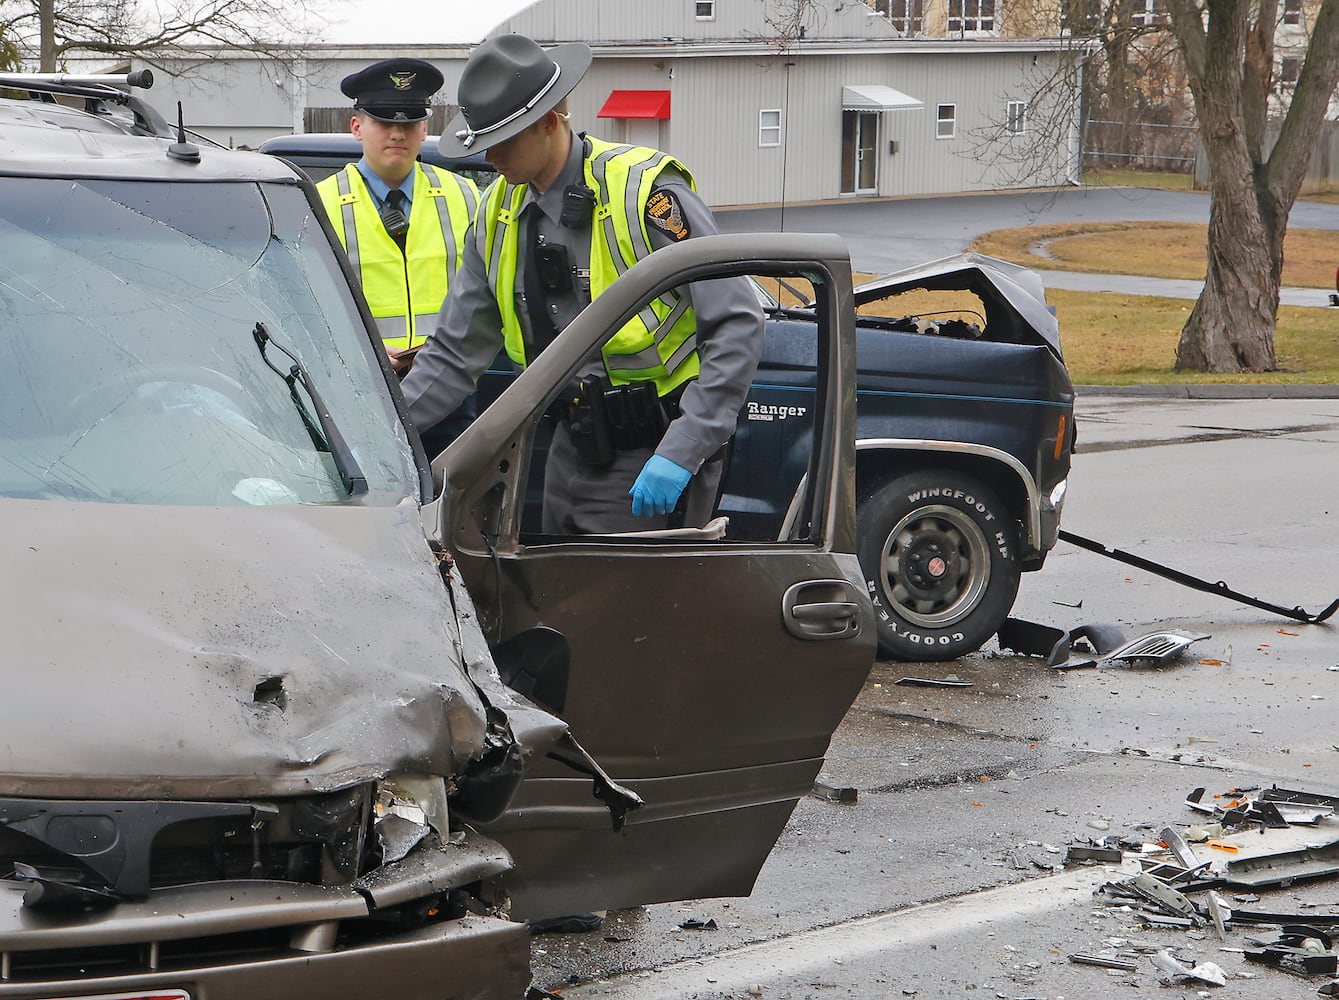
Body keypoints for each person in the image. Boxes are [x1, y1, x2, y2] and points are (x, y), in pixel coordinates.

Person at [401, 34, 764, 534]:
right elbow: (452, 353)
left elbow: (736, 321)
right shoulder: (498, 210)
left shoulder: (646, 192)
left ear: (549, 122)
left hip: (651, 451)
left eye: (501, 141)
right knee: (557, 602)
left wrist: (683, 450)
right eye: (481, 143)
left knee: (625, 607)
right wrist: (387, 438)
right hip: (565, 447)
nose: (489, 160)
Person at [315, 58, 481, 449]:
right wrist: (361, 349)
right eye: (384, 122)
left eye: (408, 123)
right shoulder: (319, 203)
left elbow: (486, 292)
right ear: (357, 127)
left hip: (448, 389)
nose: (397, 133)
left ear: (425, 129)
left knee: (447, 504)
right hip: (358, 385)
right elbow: (307, 305)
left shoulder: (466, 196)